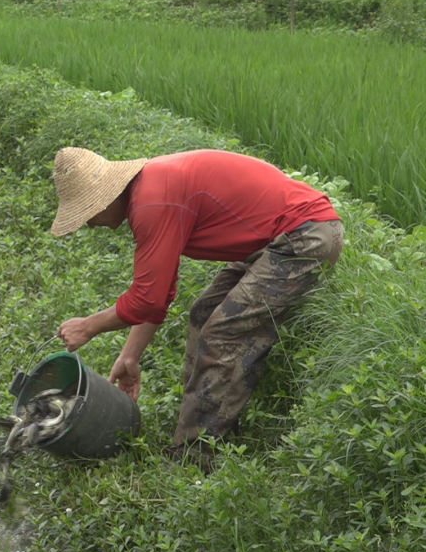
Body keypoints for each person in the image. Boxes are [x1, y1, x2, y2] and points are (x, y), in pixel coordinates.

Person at [50, 148, 342, 468]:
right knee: (203, 317)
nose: (90, 225)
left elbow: (148, 299)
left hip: (307, 235)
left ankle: (195, 455)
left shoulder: (152, 201)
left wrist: (88, 326)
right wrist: (129, 356)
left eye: (86, 214)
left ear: (103, 200)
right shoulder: (151, 191)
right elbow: (159, 293)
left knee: (222, 333)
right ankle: (201, 429)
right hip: (279, 239)